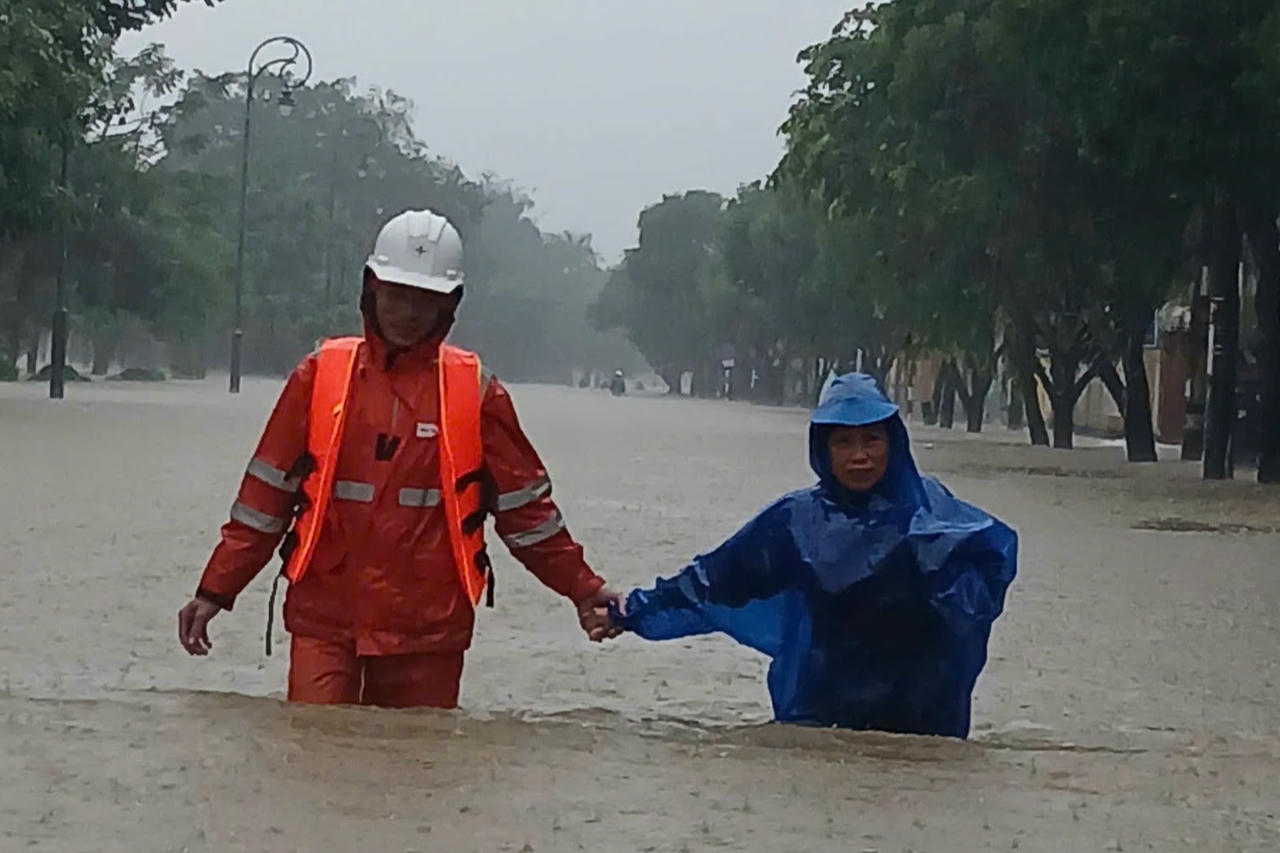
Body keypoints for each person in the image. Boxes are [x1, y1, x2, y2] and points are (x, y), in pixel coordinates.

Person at [178, 208, 620, 708]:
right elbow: (263, 503)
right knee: (312, 744)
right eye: (397, 294)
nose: (408, 311)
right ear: (372, 288)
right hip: (327, 618)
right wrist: (215, 591)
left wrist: (584, 589)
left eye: (425, 299)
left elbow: (529, 517)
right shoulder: (319, 377)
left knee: (416, 754)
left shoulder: (476, 394)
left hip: (429, 628)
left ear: (449, 304)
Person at [608, 373, 1016, 738]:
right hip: (824, 713)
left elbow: (992, 561)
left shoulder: (931, 513)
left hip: (921, 716)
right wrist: (631, 611)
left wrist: (943, 575)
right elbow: (714, 580)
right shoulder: (796, 521)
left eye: (872, 440)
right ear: (823, 448)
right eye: (843, 442)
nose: (860, 455)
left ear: (893, 443)